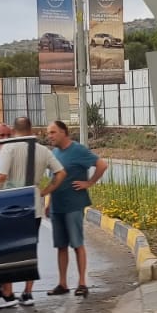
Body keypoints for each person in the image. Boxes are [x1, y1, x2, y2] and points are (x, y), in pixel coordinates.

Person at [0, 118, 64, 308]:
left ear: (14, 131)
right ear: (31, 130)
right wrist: (45, 191)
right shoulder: (43, 150)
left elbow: (1, 176)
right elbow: (61, 173)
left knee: (7, 250)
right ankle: (28, 293)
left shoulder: (10, 148)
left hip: (11, 208)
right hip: (33, 207)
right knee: (30, 250)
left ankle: (7, 292)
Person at [44, 119, 107, 299]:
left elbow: (102, 164)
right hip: (57, 206)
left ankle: (82, 283)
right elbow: (53, 180)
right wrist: (48, 203)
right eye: (49, 133)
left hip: (73, 205)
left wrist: (90, 182)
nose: (50, 136)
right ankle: (62, 283)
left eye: (53, 132)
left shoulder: (78, 150)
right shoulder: (54, 153)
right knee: (61, 246)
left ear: (64, 132)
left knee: (77, 244)